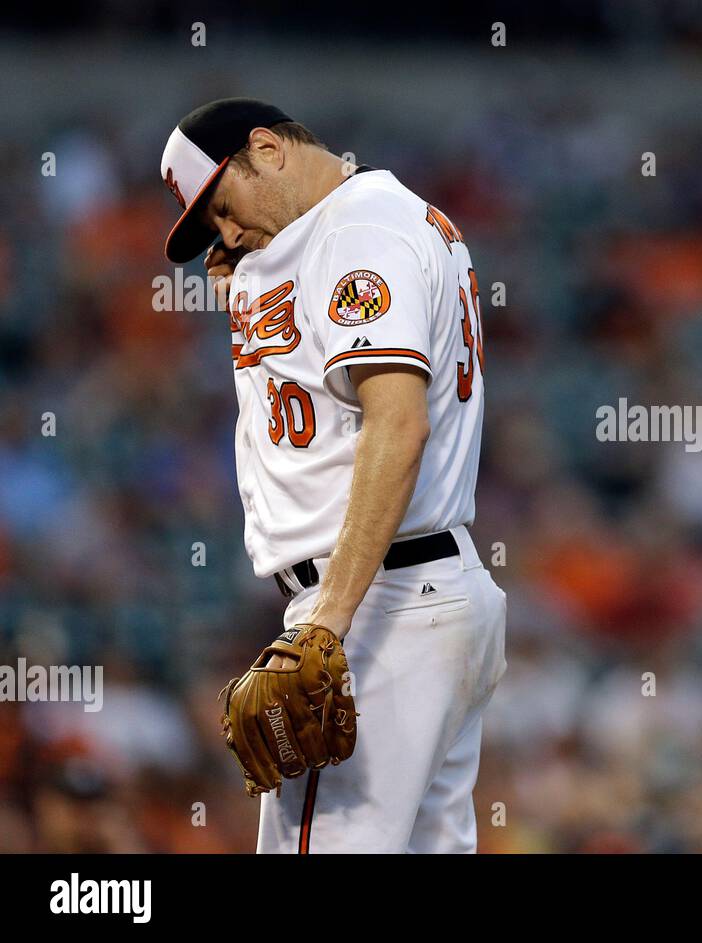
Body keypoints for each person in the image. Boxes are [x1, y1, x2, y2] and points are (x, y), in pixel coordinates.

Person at [158, 98, 507, 853]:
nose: (227, 236)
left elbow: (398, 424)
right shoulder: (356, 224)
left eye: (223, 206)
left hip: (377, 605)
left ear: (268, 148)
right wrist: (253, 283)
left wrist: (327, 623)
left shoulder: (358, 231)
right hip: (424, 593)